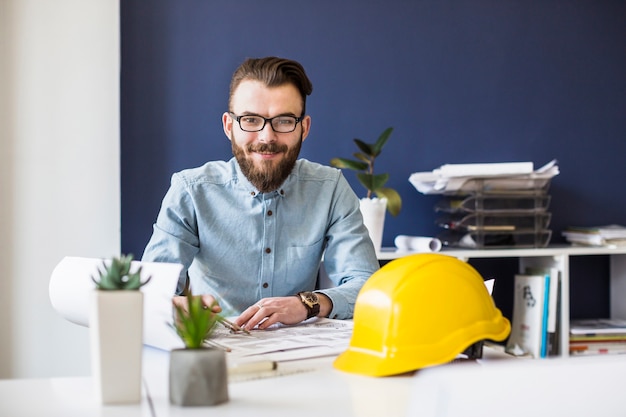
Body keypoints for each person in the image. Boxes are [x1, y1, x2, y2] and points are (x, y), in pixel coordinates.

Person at [142, 56, 379, 331]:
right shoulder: (190, 191)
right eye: (251, 120)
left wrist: (306, 304)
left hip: (297, 354)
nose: (267, 137)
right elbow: (152, 290)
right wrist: (171, 304)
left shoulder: (330, 188)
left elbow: (366, 285)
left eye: (284, 120)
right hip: (212, 351)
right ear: (229, 126)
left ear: (304, 128)